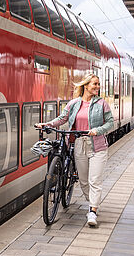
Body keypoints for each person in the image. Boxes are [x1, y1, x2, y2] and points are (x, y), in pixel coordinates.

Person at [36, 74, 114, 227]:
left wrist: (97, 130)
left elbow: (110, 122)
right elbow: (62, 118)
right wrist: (47, 124)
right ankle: (92, 201)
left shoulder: (102, 104)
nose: (97, 87)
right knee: (84, 181)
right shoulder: (73, 104)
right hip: (79, 144)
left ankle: (92, 211)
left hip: (97, 146)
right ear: (86, 85)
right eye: (95, 84)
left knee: (94, 180)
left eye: (98, 84)